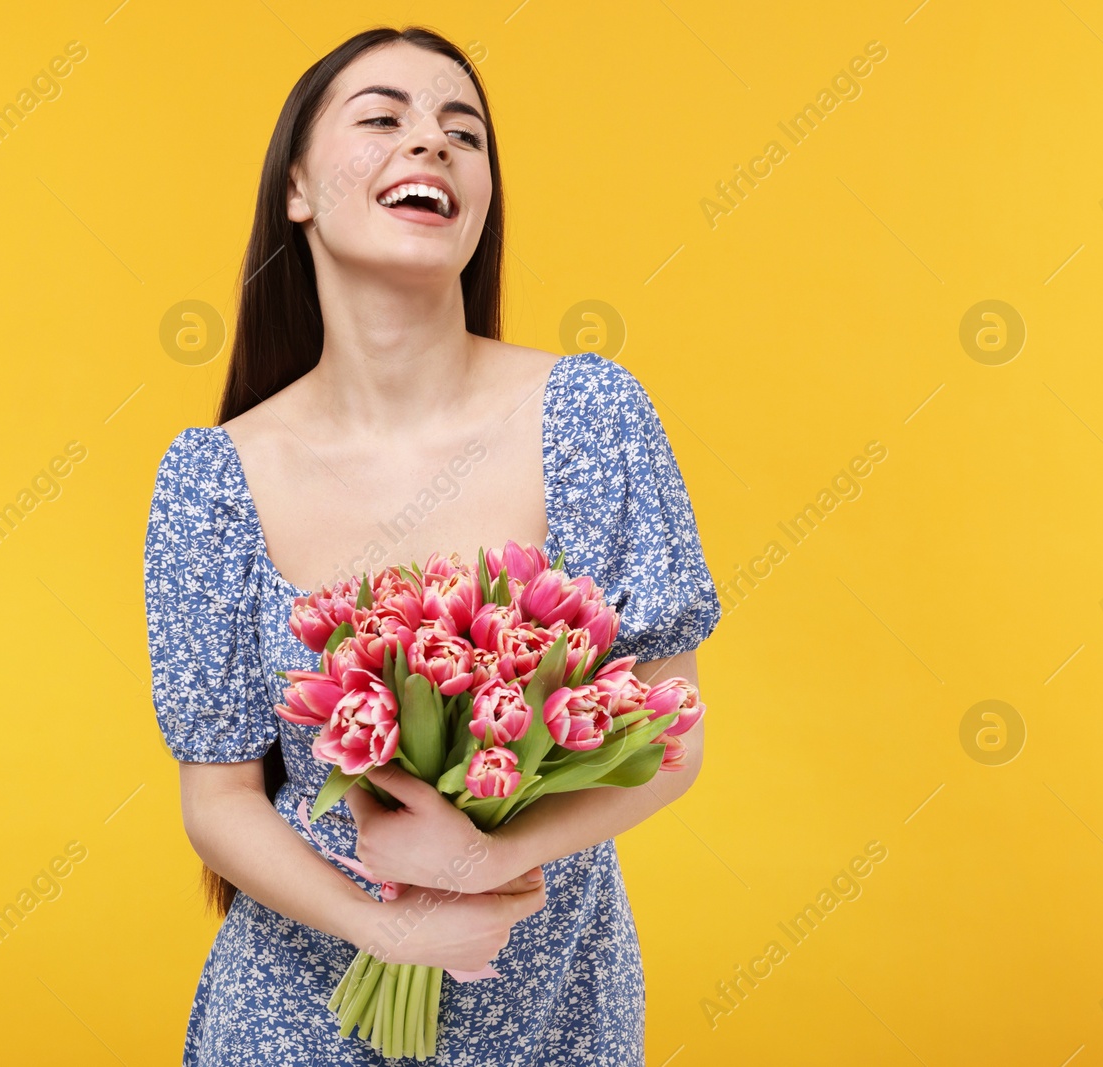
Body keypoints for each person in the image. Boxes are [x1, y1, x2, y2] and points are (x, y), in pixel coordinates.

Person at [141, 25, 721, 1065]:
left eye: (465, 132)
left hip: (553, 1008)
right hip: (290, 1018)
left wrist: (486, 858)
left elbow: (672, 729)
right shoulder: (211, 479)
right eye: (383, 119)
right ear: (298, 191)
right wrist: (388, 927)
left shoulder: (589, 416)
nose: (434, 144)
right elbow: (219, 797)